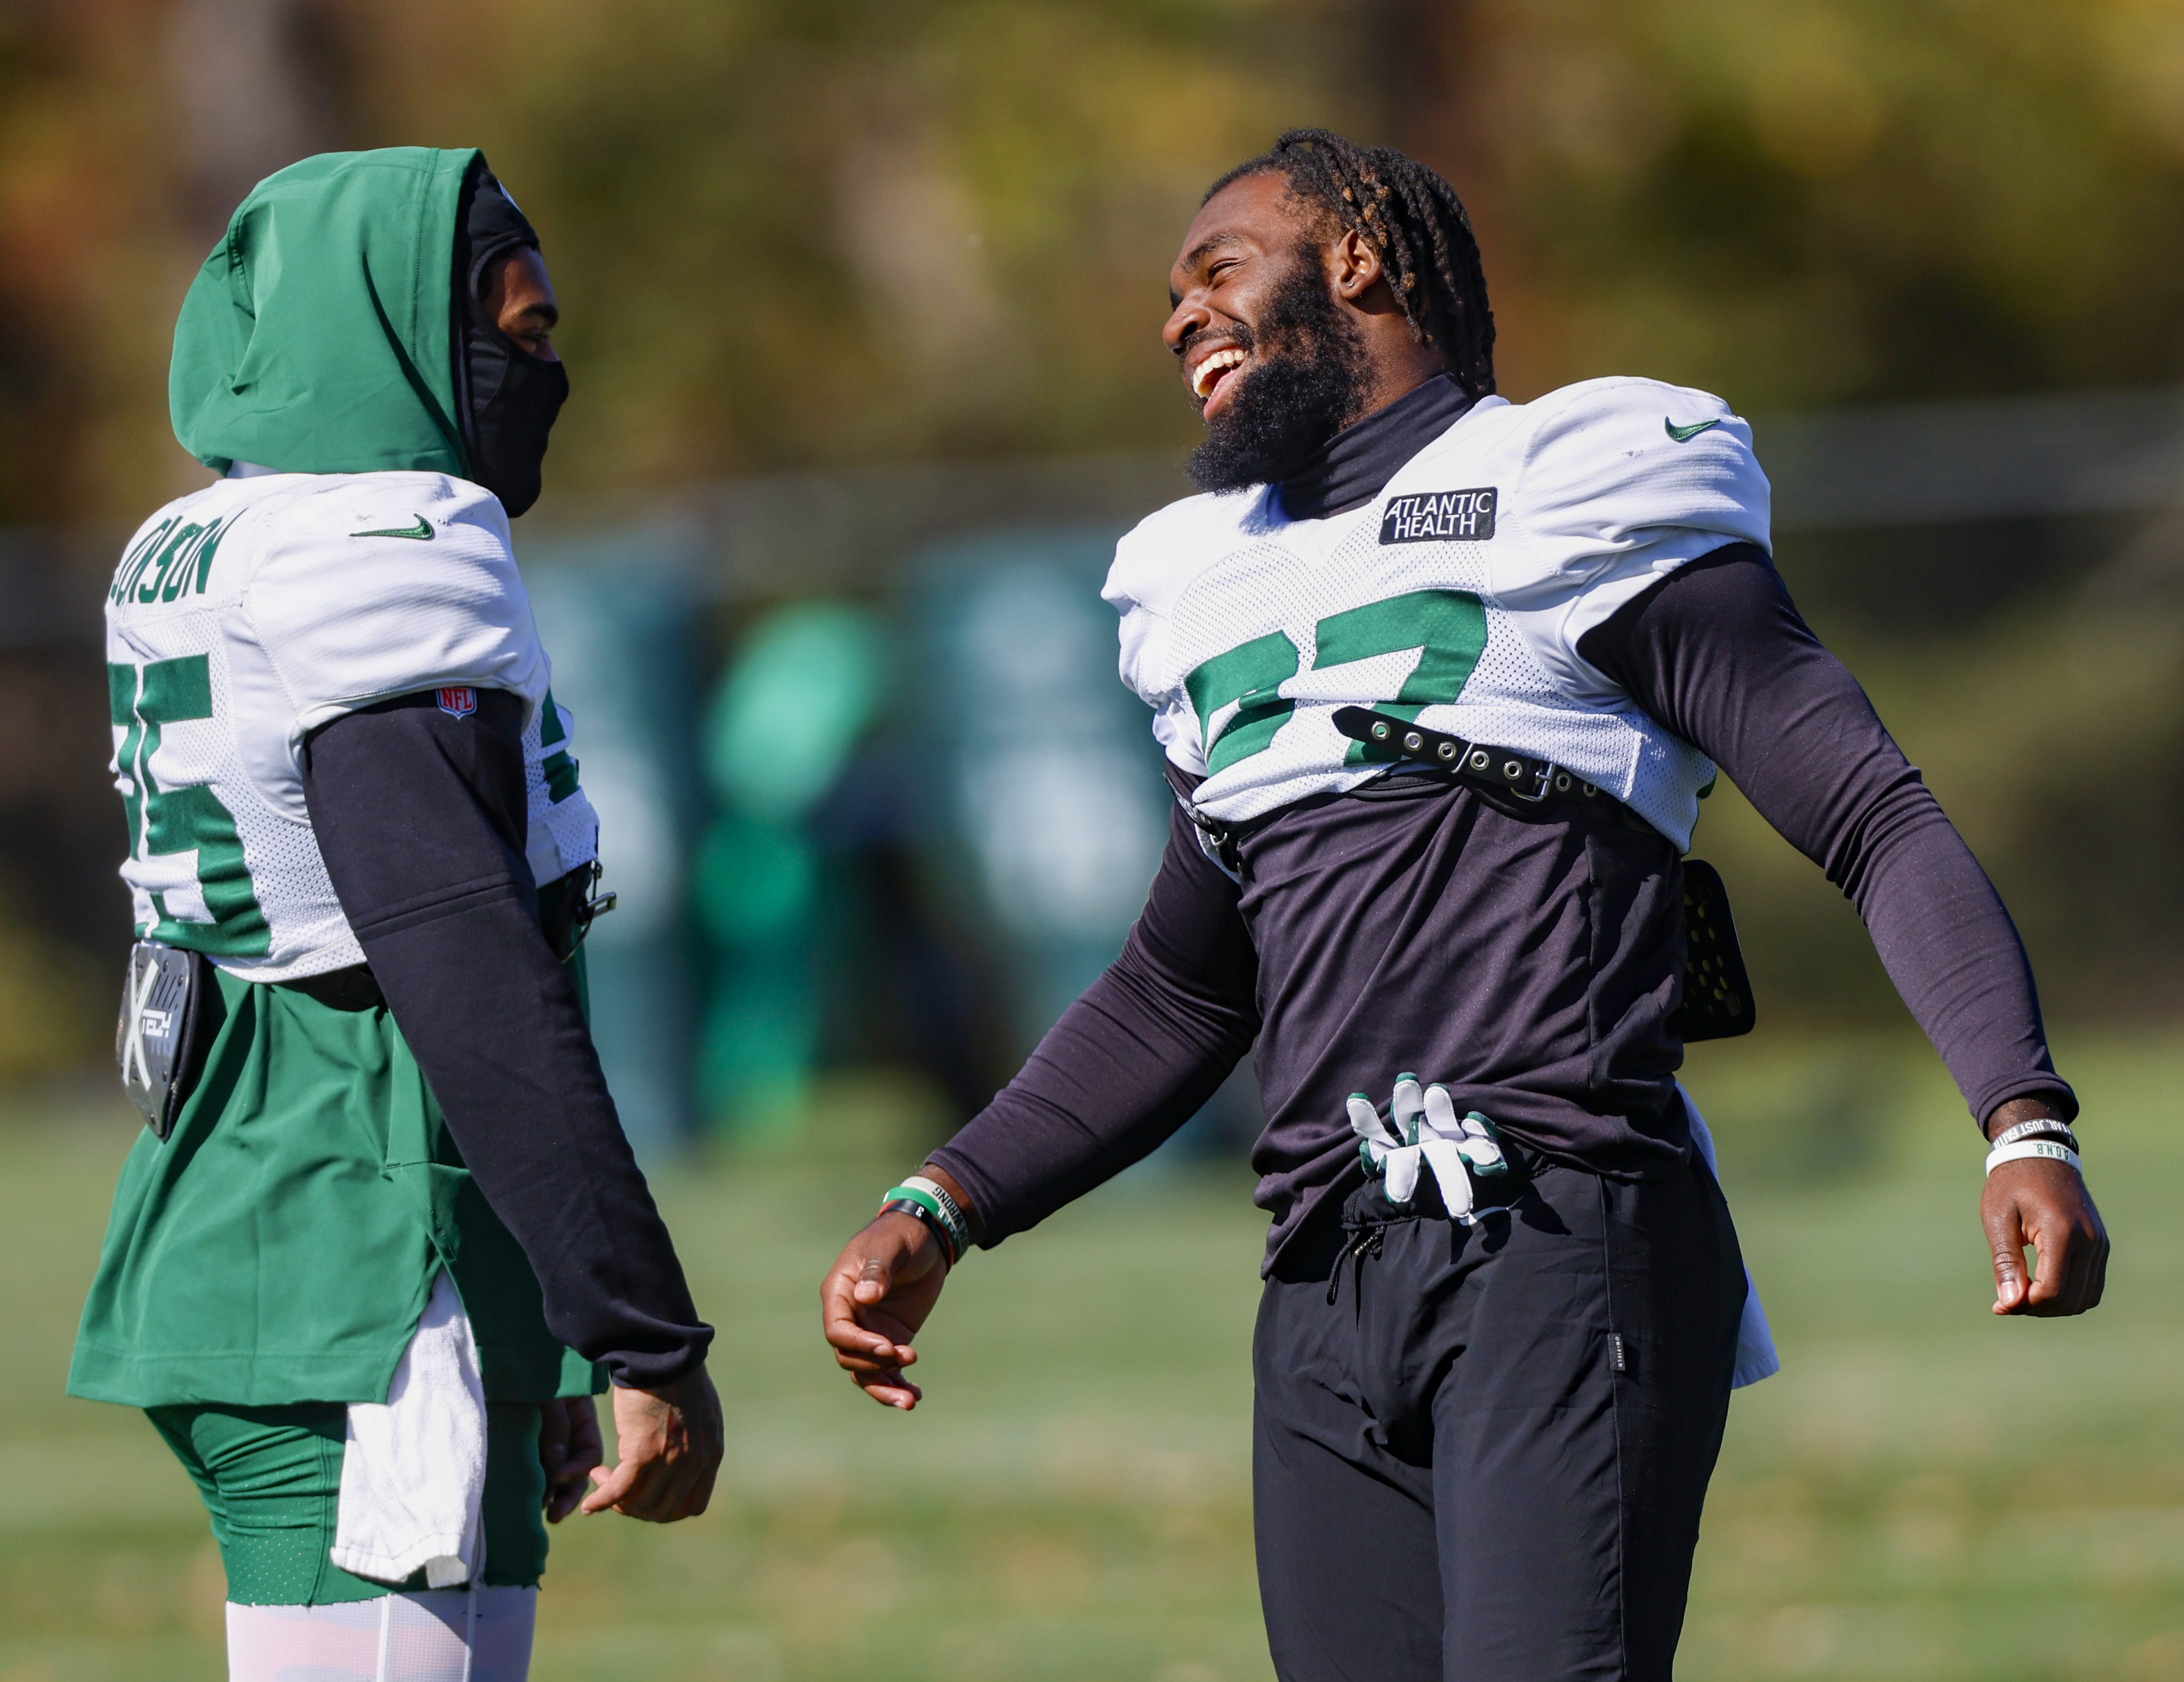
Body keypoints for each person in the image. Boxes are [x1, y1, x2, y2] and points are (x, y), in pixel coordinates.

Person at [822, 129, 2109, 1681]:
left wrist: (2018, 1113)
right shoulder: (1197, 584)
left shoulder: (1576, 477)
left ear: (1356, 261)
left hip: (1552, 1228)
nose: (1175, 319)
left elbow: (1862, 807)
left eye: (1214, 271)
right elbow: (1181, 985)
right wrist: (948, 1201)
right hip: (1319, 1275)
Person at [74, 148, 722, 1682]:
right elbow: (461, 956)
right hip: (364, 1251)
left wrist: (536, 1321)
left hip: (289, 1202)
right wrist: (638, 1324)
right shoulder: (377, 547)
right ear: (389, 332)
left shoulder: (214, 537)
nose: (540, 370)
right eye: (519, 330)